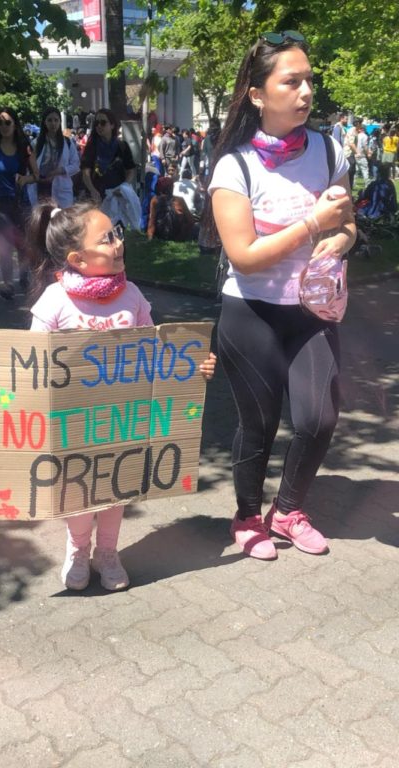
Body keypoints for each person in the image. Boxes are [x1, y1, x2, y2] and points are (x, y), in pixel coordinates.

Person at [0, 202, 217, 590]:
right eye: (107, 238)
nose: (119, 243)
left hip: (121, 420)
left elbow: (154, 353)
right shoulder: (55, 301)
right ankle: (77, 548)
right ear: (78, 258)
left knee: (114, 488)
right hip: (73, 426)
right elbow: (29, 368)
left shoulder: (133, 296)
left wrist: (190, 368)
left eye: (118, 232)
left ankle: (107, 550)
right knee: (76, 489)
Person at [207, 30, 356, 560]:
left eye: (309, 80)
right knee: (259, 423)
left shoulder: (331, 151)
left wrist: (335, 242)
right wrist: (312, 225)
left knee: (319, 418)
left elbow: (348, 226)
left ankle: (288, 510)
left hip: (311, 312)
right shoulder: (234, 166)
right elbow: (243, 254)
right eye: (291, 81)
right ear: (257, 94)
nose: (306, 92)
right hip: (251, 313)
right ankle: (248, 516)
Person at [0, 107, 39, 300]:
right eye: (0, 123)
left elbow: (36, 175)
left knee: (22, 243)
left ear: (15, 124)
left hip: (20, 202)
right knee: (3, 245)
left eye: (8, 122)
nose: (4, 126)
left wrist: (25, 179)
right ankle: (7, 284)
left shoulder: (24, 146)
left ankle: (24, 277)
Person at [28, 106, 80, 209]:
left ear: (60, 122)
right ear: (44, 122)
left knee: (63, 222)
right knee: (43, 221)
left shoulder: (68, 142)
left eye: (56, 120)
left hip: (62, 190)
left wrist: (60, 170)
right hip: (41, 189)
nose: (53, 123)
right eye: (50, 120)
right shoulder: (36, 143)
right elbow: (29, 167)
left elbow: (76, 165)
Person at [81, 108, 136, 203]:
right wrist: (92, 190)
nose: (99, 126)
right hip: (96, 199)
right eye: (96, 123)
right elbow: (85, 172)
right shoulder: (91, 147)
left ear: (112, 125)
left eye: (103, 122)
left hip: (117, 197)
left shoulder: (122, 146)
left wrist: (124, 187)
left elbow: (130, 170)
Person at [147, 176, 195, 241]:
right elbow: (191, 221)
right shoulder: (179, 200)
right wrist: (180, 237)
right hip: (177, 235)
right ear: (171, 187)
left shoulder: (154, 200)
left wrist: (150, 239)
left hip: (160, 236)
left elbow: (151, 222)